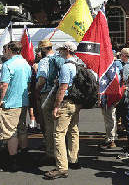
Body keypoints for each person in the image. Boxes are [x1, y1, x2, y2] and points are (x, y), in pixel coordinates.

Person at [44, 42, 80, 180]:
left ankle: (61, 167)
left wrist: (56, 107)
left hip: (66, 103)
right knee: (73, 130)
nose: (59, 52)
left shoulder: (66, 67)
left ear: (67, 51)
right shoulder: (78, 65)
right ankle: (73, 160)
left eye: (61, 50)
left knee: (58, 134)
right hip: (76, 103)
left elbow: (63, 88)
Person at [0, 41, 32, 171]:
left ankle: (12, 162)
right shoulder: (25, 64)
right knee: (21, 129)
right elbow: (28, 84)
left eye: (5, 49)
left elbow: (4, 85)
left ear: (10, 50)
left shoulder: (8, 64)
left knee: (10, 133)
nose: (4, 52)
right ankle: (24, 156)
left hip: (11, 103)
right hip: (23, 102)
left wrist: (0, 100)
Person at [34, 39, 65, 165]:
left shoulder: (44, 61)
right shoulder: (61, 59)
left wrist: (36, 91)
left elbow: (42, 79)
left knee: (49, 125)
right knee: (60, 125)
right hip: (61, 93)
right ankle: (62, 152)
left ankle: (50, 153)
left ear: (43, 49)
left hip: (48, 93)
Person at [98, 50, 123, 150]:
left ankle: (111, 139)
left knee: (110, 118)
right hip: (109, 97)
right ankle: (111, 137)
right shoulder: (113, 68)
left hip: (109, 97)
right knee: (109, 118)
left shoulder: (111, 70)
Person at [116, 48, 129, 160]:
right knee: (128, 124)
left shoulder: (127, 67)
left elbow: (122, 81)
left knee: (128, 124)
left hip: (125, 99)